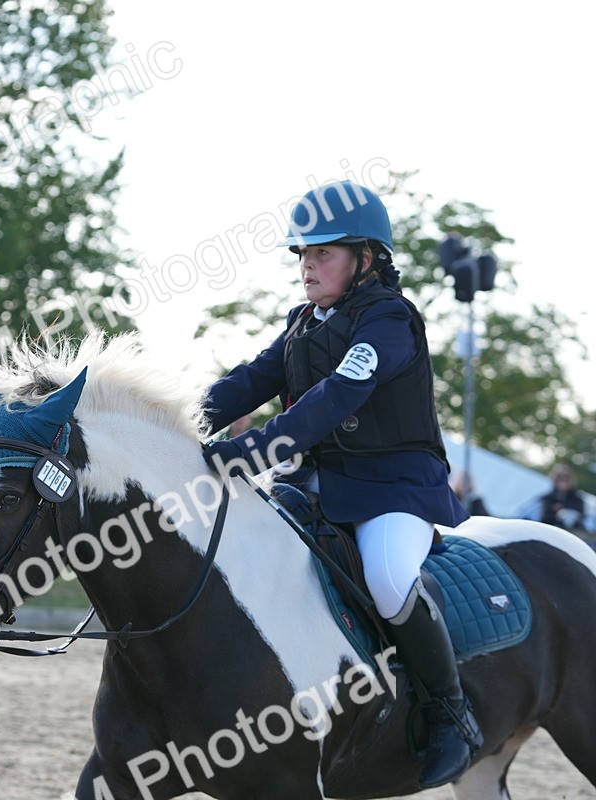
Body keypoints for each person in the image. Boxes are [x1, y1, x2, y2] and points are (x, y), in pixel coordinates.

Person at [200, 181, 481, 788]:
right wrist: (177, 422)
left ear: (367, 258)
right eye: (303, 253)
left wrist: (252, 450)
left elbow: (338, 396)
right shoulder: (304, 322)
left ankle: (450, 713)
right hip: (316, 484)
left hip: (394, 489)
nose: (307, 265)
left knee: (386, 577)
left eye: (323, 253)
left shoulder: (390, 320)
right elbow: (250, 380)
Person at [539, 464, 586, 532]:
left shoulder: (578, 498)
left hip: (573, 532)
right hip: (552, 531)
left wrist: (562, 508)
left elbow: (581, 515)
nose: (563, 482)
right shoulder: (548, 498)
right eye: (560, 478)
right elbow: (545, 517)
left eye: (566, 478)